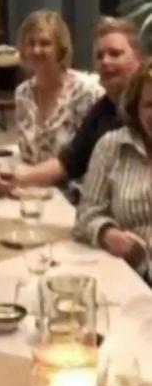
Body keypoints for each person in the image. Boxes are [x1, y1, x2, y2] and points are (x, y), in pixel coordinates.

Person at [0, 17, 143, 194]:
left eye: (115, 54)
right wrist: (18, 178)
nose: (105, 62)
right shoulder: (104, 109)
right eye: (99, 56)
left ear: (139, 59)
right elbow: (69, 162)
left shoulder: (141, 107)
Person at [73, 59, 152, 271]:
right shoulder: (112, 146)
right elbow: (85, 214)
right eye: (149, 104)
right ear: (136, 107)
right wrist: (107, 233)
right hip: (131, 275)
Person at [14, 10, 103, 165]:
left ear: (61, 49)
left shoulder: (87, 91)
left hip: (73, 186)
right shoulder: (23, 93)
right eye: (31, 43)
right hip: (31, 183)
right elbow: (26, 155)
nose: (36, 50)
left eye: (44, 43)